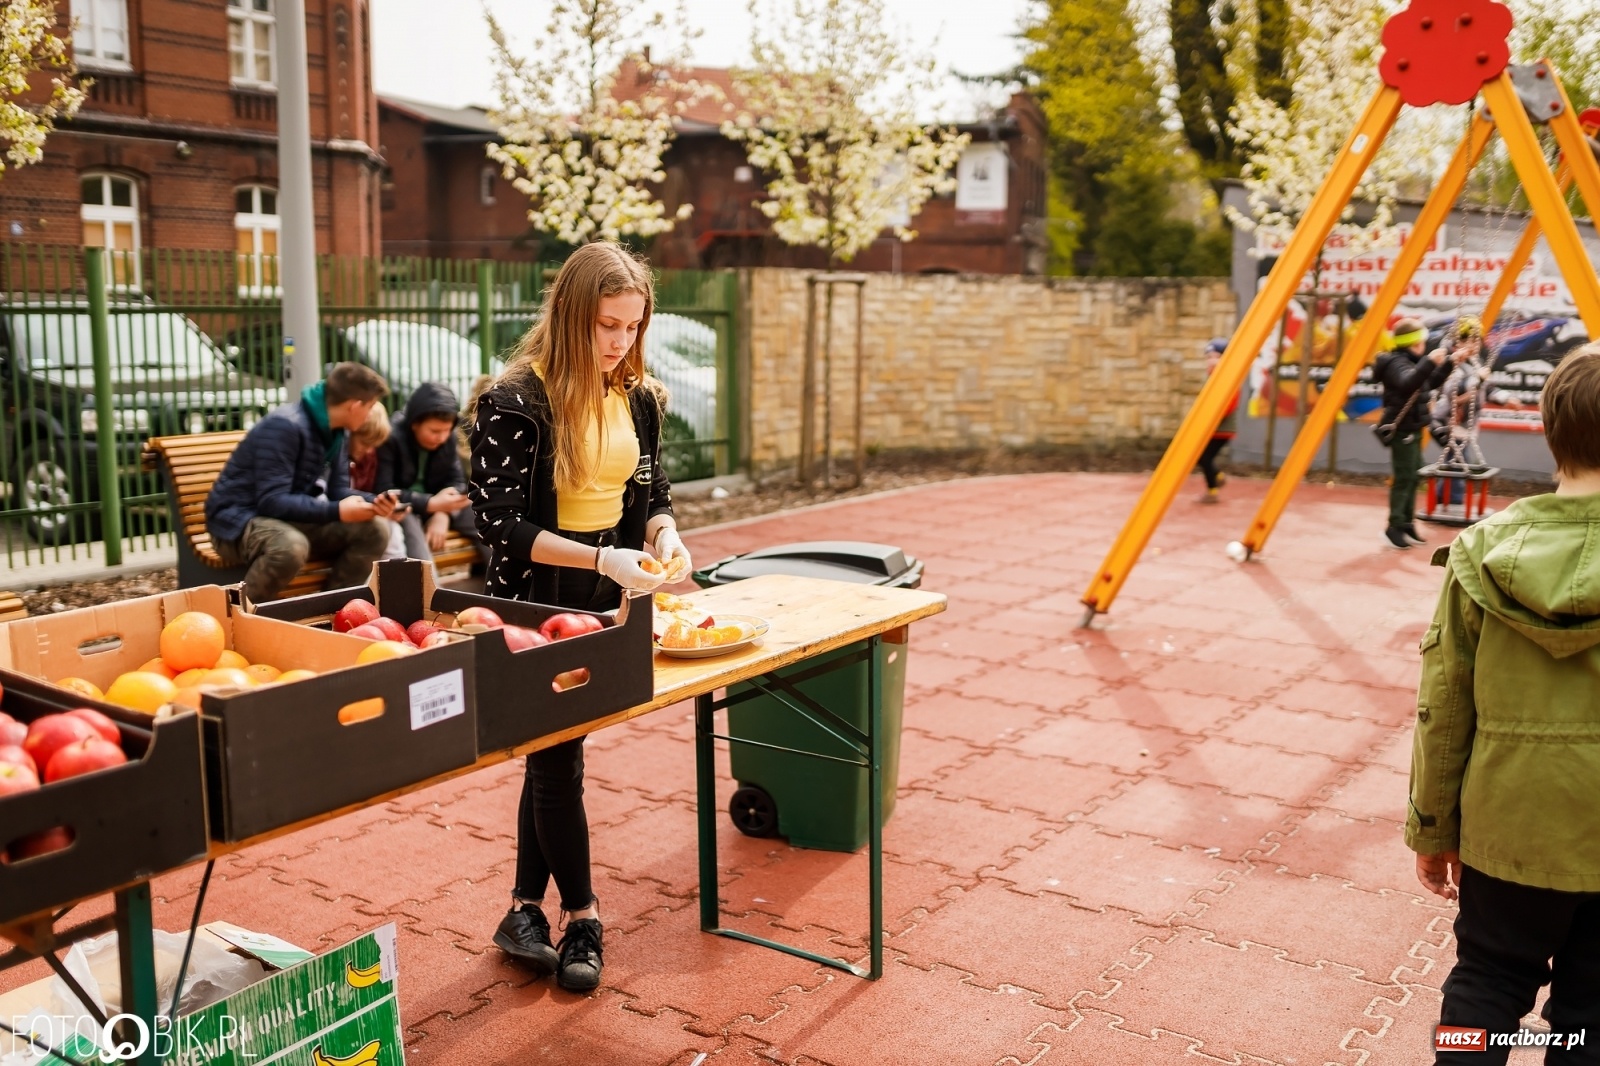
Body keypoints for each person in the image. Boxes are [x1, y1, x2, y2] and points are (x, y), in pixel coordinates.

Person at [467, 241, 688, 993]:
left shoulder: (639, 396)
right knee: (559, 757)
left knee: (552, 752)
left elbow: (650, 493)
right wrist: (600, 560)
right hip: (538, 600)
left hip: (610, 593)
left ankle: (524, 909)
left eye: (632, 327)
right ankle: (585, 915)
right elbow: (497, 524)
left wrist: (664, 535)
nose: (620, 343)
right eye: (606, 326)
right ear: (568, 316)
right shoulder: (515, 400)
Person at [1407, 342, 1600, 1065]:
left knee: (1487, 981)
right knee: (1592, 1009)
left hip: (1509, 821)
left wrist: (1433, 823)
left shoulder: (1481, 551)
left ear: (1550, 429)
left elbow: (1445, 703)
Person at [206, 362, 399, 602]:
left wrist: (376, 503)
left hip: (285, 519)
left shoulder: (338, 431)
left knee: (375, 530)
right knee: (290, 547)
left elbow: (338, 491)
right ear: (354, 406)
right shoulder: (285, 426)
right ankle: (238, 618)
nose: (370, 413)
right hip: (237, 520)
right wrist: (337, 511)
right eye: (370, 407)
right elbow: (271, 501)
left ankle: (332, 611)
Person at [1373, 317, 1462, 550]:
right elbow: (1407, 383)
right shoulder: (1396, 363)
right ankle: (1394, 526)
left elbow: (1427, 383)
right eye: (1422, 342)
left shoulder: (1412, 361)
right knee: (1404, 477)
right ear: (1414, 343)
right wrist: (1430, 362)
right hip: (1401, 429)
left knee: (1414, 476)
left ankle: (1406, 523)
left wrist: (1450, 362)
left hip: (1413, 427)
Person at [375, 383, 486, 565]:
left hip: (439, 505)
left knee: (483, 517)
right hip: (406, 508)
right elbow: (385, 490)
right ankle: (430, 591)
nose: (441, 438)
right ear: (415, 423)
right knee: (409, 525)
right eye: (434, 431)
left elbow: (457, 480)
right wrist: (430, 504)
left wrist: (442, 513)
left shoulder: (448, 438)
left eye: (446, 431)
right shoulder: (391, 438)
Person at [348, 403, 407, 562]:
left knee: (393, 531)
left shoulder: (369, 458)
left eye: (372, 446)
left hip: (366, 513)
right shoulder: (340, 457)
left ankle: (397, 576)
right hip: (347, 516)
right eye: (364, 443)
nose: (368, 450)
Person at [1197, 337, 1237, 503]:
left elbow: (1230, 402)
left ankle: (1213, 489)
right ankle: (1217, 478)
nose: (1211, 361)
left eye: (1215, 356)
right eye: (1209, 357)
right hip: (1214, 427)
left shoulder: (1227, 377)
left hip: (1222, 428)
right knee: (1202, 456)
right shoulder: (1213, 377)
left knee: (1204, 457)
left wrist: (1214, 416)